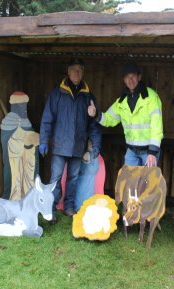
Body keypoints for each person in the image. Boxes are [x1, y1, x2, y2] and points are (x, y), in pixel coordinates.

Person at [39, 58, 102, 222]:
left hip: (78, 146)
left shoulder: (88, 96)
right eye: (74, 70)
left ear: (83, 72)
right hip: (60, 145)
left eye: (80, 70)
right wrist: (44, 140)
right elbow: (47, 119)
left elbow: (94, 123)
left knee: (73, 178)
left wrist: (96, 144)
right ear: (68, 71)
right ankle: (50, 209)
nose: (77, 73)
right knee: (55, 179)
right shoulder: (57, 94)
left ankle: (68, 207)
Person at [88, 61, 163, 167]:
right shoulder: (121, 101)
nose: (130, 80)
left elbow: (157, 126)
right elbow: (109, 119)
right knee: (129, 183)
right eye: (127, 77)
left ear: (139, 77)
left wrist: (153, 152)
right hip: (132, 151)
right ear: (124, 80)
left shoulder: (151, 97)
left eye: (133, 76)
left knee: (147, 183)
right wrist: (96, 114)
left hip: (149, 152)